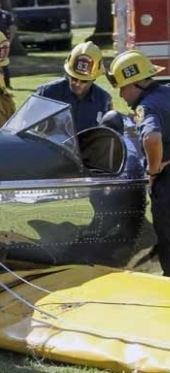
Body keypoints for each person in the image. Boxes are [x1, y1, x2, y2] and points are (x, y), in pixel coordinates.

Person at [107, 50, 170, 277]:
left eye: (122, 88)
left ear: (135, 83)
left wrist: (153, 171)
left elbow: (151, 138)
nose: (122, 95)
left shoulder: (148, 106)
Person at [36, 41, 112, 132]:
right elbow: (24, 127)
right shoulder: (47, 93)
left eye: (84, 81)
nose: (78, 84)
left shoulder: (103, 100)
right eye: (74, 78)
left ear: (94, 79)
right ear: (68, 74)